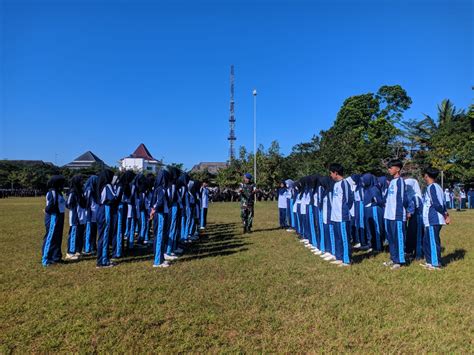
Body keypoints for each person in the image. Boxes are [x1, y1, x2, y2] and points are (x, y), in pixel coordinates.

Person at [421, 167, 451, 270]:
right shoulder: (435, 187)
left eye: (424, 175)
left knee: (433, 241)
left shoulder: (433, 187)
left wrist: (445, 214)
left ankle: (436, 264)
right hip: (429, 220)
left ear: (426, 176)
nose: (424, 177)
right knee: (427, 241)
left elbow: (437, 204)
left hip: (433, 219)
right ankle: (429, 262)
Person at [383, 160, 408, 270]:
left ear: (397, 169)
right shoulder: (391, 182)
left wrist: (405, 212)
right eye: (388, 168)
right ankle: (393, 258)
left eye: (391, 167)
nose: (389, 169)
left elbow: (403, 198)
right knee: (391, 238)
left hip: (397, 215)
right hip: (388, 215)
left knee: (398, 238)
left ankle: (400, 261)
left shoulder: (400, 182)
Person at [329, 163, 354, 267]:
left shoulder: (344, 183)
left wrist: (344, 211)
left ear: (336, 173)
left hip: (342, 217)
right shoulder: (336, 184)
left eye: (331, 173)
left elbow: (349, 199)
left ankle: (347, 260)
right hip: (335, 216)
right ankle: (339, 257)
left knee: (344, 238)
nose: (330, 175)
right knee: (338, 237)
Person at [41, 175, 66, 266]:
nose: (63, 185)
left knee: (57, 237)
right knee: (51, 236)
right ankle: (46, 259)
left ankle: (56, 257)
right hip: (53, 216)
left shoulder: (58, 192)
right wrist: (46, 210)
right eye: (62, 183)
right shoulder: (53, 192)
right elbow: (51, 205)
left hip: (59, 215)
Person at [95, 169, 117, 268]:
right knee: (104, 237)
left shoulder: (101, 185)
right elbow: (113, 198)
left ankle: (105, 258)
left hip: (101, 210)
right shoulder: (108, 186)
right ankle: (102, 261)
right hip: (106, 211)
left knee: (103, 236)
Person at [150, 169, 171, 268]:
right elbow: (160, 202)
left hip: (161, 213)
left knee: (160, 237)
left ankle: (160, 258)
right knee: (159, 236)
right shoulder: (161, 189)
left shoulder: (158, 188)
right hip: (160, 214)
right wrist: (154, 210)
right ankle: (157, 261)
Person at [361, 173, 384, 252]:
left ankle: (378, 247)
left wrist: (372, 204)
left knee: (376, 228)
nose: (363, 182)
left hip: (374, 210)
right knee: (370, 229)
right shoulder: (367, 189)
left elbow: (379, 201)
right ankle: (372, 245)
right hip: (368, 210)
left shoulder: (374, 189)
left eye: (365, 180)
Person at [66, 175, 86, 260]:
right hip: (75, 217)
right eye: (81, 181)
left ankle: (78, 250)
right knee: (73, 234)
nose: (82, 182)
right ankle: (70, 252)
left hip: (82, 217)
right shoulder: (73, 192)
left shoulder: (81, 191)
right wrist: (74, 209)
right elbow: (68, 203)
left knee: (80, 235)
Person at [405, 177, 424, 260]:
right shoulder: (409, 195)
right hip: (413, 219)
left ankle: (418, 254)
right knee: (411, 235)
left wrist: (408, 213)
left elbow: (414, 208)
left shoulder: (415, 196)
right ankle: (411, 252)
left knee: (418, 235)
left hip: (417, 218)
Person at [83, 175, 98, 255]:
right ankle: (87, 248)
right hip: (90, 214)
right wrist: (88, 212)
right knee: (88, 231)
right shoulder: (89, 190)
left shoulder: (95, 190)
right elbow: (87, 203)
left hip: (95, 215)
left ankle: (93, 247)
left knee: (94, 231)